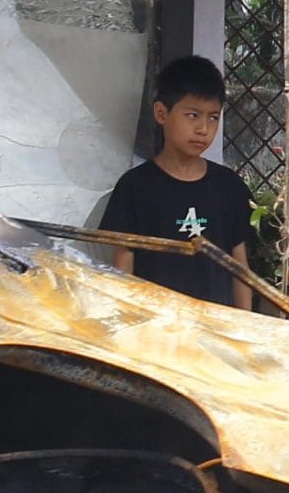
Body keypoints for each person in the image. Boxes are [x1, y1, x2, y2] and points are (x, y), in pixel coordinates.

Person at [98, 54, 254, 310]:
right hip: (154, 329)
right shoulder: (135, 187)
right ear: (161, 113)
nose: (203, 128)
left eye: (213, 117)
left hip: (214, 330)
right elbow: (123, 267)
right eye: (193, 115)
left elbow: (240, 268)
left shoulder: (229, 187)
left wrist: (244, 329)